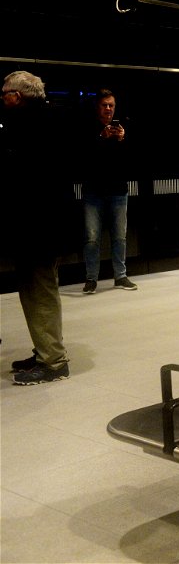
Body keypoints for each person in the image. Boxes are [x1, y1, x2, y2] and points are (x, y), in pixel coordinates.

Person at [1, 71, 74, 384]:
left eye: (4, 93)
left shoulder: (27, 127)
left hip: (37, 227)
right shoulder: (50, 120)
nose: (1, 98)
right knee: (36, 290)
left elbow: (22, 178)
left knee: (39, 291)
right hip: (45, 224)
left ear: (17, 96)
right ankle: (44, 349)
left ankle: (53, 362)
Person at [81, 89, 137, 293]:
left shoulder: (123, 128)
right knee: (91, 237)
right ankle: (91, 279)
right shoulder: (87, 128)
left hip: (118, 190)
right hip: (93, 191)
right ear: (97, 107)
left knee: (120, 237)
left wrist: (123, 140)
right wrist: (100, 138)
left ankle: (120, 276)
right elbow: (82, 158)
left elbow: (133, 161)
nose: (108, 109)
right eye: (104, 105)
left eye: (111, 105)